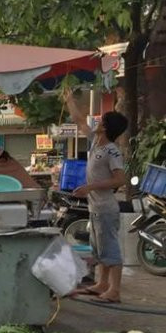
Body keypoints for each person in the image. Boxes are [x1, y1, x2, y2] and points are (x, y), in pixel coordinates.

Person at [65, 92, 129, 304]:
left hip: (105, 207)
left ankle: (115, 290)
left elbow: (120, 180)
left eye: (102, 120)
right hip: (95, 207)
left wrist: (90, 186)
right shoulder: (95, 142)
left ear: (106, 127)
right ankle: (101, 284)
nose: (98, 121)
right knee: (98, 246)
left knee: (110, 248)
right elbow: (79, 120)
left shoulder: (112, 151)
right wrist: (69, 100)